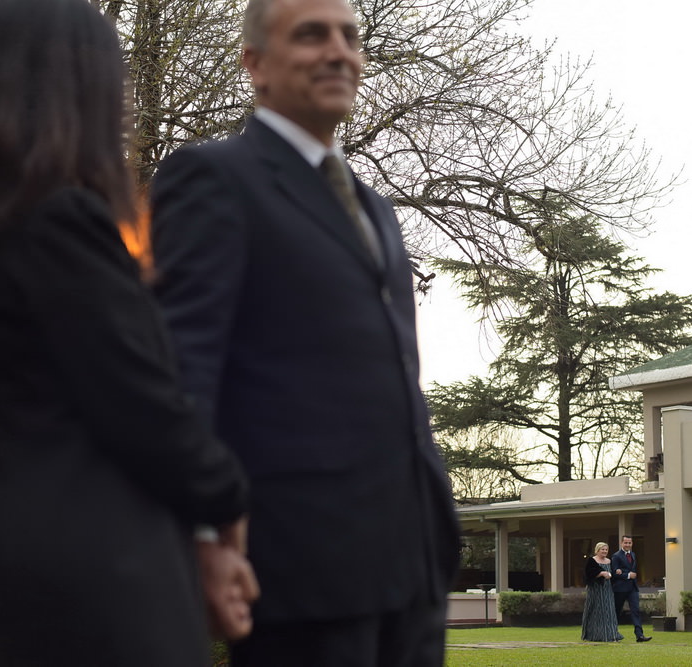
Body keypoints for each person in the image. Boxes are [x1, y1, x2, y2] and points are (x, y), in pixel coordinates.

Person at [0, 0, 257, 663]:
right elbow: (145, 408)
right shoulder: (64, 226)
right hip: (92, 601)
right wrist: (229, 496)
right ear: (85, 94)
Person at [149, 0, 461, 664]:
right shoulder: (212, 180)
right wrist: (203, 535)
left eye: (350, 37)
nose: (338, 52)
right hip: (299, 574)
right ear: (254, 63)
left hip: (414, 569)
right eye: (311, 35)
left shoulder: (375, 210)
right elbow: (184, 371)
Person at [611, 534, 653, 642]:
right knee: (616, 611)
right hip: (619, 589)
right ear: (621, 543)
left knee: (636, 611)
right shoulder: (616, 556)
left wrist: (627, 574)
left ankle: (639, 635)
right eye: (626, 542)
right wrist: (628, 575)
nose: (628, 545)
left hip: (632, 588)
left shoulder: (633, 555)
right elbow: (614, 573)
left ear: (632, 543)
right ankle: (612, 634)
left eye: (629, 543)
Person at [581, 542, 623, 642]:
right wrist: (601, 573)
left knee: (609, 610)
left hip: (608, 590)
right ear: (597, 550)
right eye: (602, 549)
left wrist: (617, 572)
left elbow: (612, 574)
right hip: (595, 590)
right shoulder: (592, 561)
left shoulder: (609, 561)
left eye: (606, 550)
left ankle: (611, 634)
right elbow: (588, 574)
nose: (604, 551)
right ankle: (595, 635)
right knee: (596, 611)